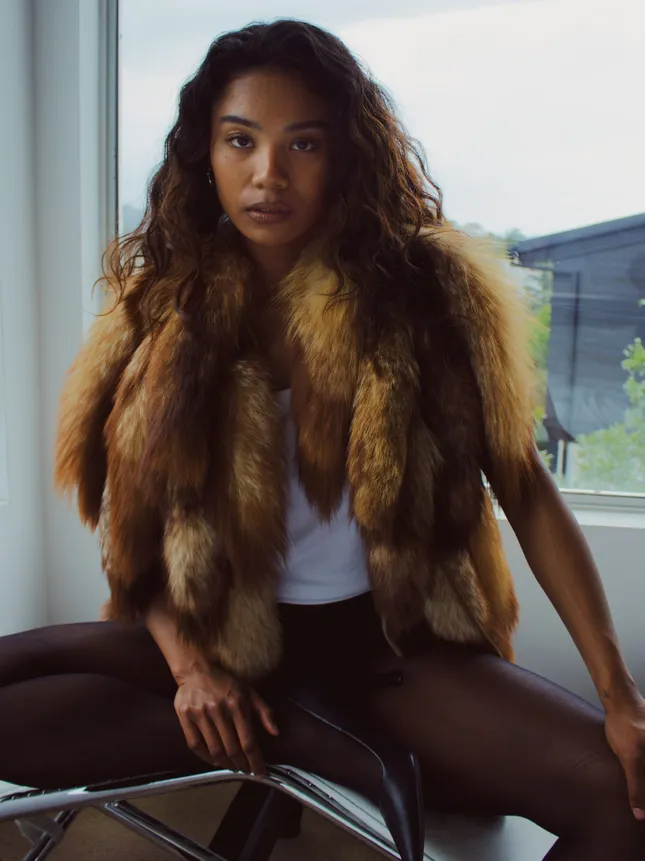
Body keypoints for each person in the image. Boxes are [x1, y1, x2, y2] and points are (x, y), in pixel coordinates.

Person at [1, 19, 644, 861]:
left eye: (302, 144)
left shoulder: (425, 296)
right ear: (206, 152)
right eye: (241, 140)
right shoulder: (161, 313)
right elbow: (139, 544)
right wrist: (193, 671)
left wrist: (618, 693)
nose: (268, 174)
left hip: (390, 653)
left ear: (344, 154)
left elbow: (524, 489)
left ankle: (329, 739)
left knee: (626, 799)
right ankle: (303, 738)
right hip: (224, 643)